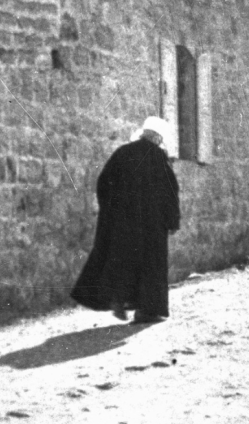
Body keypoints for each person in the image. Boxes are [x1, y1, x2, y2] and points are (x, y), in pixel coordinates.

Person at [70, 116, 180, 324]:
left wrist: (111, 211)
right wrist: (172, 221)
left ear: (143, 134)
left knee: (124, 261)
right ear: (157, 138)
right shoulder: (159, 157)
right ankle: (146, 311)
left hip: (123, 223)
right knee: (150, 266)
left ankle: (119, 299)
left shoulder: (122, 152)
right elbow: (170, 192)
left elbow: (104, 182)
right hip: (151, 225)